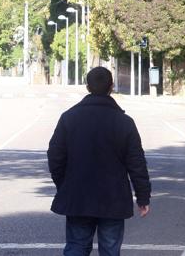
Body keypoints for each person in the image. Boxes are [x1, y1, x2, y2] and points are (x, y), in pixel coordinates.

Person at [47, 66, 151, 256]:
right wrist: (143, 196)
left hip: (77, 196)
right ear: (111, 87)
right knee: (110, 250)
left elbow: (55, 157)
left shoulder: (68, 118)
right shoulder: (124, 122)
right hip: (113, 198)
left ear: (87, 87)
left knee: (76, 246)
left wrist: (64, 184)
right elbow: (136, 163)